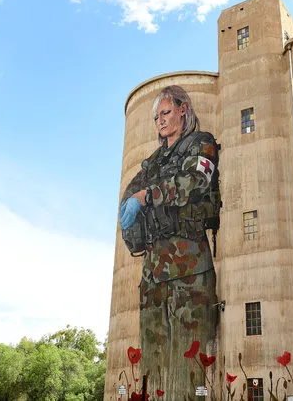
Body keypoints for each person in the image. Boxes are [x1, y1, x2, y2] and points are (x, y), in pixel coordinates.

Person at [119, 85, 220, 399]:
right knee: (153, 363)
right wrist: (130, 221)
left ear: (183, 110)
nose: (160, 121)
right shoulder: (152, 163)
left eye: (166, 112)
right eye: (156, 117)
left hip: (188, 267)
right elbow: (127, 199)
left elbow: (196, 181)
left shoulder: (201, 145)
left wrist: (149, 195)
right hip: (153, 273)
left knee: (189, 363)